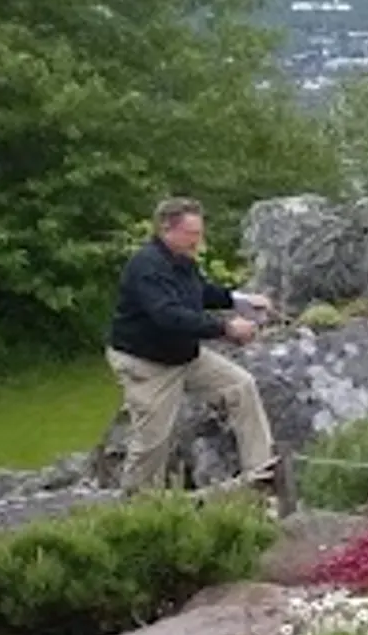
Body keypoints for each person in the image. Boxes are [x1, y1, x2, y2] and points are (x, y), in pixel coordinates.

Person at [106, 197, 282, 501]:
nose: (198, 241)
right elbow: (168, 316)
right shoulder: (147, 266)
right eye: (192, 234)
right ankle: (136, 507)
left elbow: (199, 292)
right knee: (152, 441)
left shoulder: (181, 260)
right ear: (166, 229)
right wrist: (226, 328)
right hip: (148, 364)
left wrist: (239, 300)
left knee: (241, 385)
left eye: (199, 233)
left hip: (183, 355)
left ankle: (261, 473)